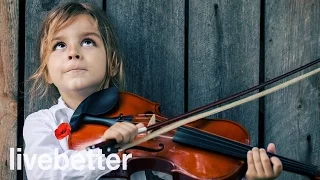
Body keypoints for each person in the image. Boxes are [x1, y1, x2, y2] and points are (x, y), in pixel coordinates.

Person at [23, 2, 283, 180]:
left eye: (88, 41)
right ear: (46, 70)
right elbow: (44, 173)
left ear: (112, 62)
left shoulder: (143, 123)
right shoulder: (41, 123)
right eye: (59, 45)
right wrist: (109, 151)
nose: (73, 53)